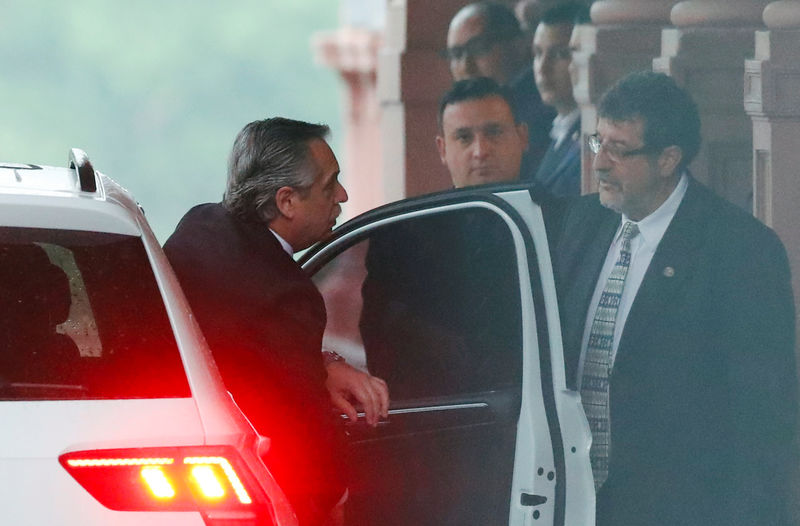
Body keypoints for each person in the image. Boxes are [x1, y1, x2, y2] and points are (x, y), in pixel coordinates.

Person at [555, 71, 798, 525]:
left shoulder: (739, 249)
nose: (600, 163)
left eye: (619, 149)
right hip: (578, 506)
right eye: (597, 142)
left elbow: (762, 419)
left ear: (668, 159)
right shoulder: (581, 224)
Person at [164, 118, 389, 526]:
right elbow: (304, 435)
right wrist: (336, 496)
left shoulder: (198, 226)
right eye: (329, 185)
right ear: (286, 202)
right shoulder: (288, 296)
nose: (342, 195)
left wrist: (323, 363)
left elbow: (246, 344)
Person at [444, 1, 555, 178]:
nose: (466, 65)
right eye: (456, 54)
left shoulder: (544, 102)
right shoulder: (458, 113)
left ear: (518, 45)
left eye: (478, 48)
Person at [531, 3, 589, 196]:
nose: (542, 67)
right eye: (538, 53)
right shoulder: (551, 130)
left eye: (560, 54)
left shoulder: (593, 135)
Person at [436, 77, 528, 187]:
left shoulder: (551, 204)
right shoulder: (423, 205)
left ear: (522, 137)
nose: (480, 152)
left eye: (494, 133)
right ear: (442, 150)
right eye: (464, 138)